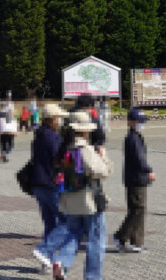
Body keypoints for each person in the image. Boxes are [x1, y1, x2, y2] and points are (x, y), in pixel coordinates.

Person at [50, 111, 112, 280]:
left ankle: (62, 262)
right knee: (96, 240)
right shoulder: (84, 149)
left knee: (73, 234)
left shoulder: (65, 147)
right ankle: (92, 276)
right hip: (89, 200)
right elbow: (101, 171)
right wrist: (104, 158)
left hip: (70, 199)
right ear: (85, 130)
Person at [111, 108, 156, 253]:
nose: (141, 124)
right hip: (136, 178)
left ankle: (137, 242)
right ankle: (120, 236)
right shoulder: (133, 138)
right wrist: (148, 170)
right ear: (131, 122)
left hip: (137, 178)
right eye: (138, 121)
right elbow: (139, 159)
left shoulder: (135, 136)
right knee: (137, 209)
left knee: (139, 209)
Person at [31, 104, 68, 273]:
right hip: (51, 183)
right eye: (59, 118)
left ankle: (47, 262)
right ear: (52, 119)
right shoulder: (52, 137)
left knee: (49, 223)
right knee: (67, 221)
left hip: (38, 183)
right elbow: (59, 159)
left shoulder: (38, 135)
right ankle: (45, 250)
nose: (60, 121)